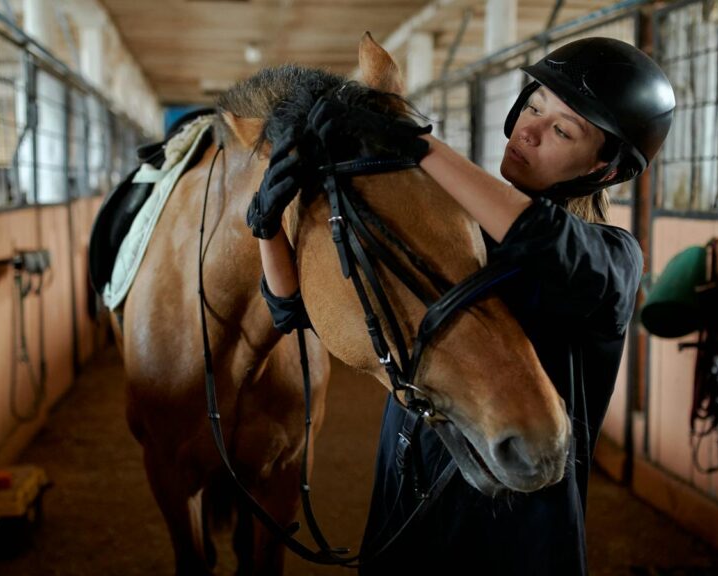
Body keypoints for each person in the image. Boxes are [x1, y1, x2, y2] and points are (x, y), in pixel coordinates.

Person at [245, 37, 676, 575]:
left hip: (512, 539)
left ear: (605, 170)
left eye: (563, 131)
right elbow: (297, 311)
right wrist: (266, 225)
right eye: (533, 107)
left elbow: (539, 236)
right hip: (404, 504)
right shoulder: (458, 228)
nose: (530, 131)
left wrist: (416, 142)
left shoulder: (612, 260)